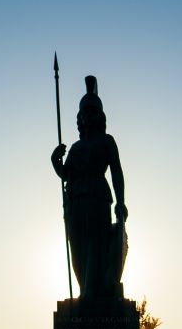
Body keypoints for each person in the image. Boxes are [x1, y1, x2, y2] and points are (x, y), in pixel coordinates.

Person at [51, 75, 128, 299]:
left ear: (100, 116)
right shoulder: (75, 147)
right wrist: (55, 161)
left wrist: (121, 201)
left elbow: (117, 172)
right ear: (80, 117)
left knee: (95, 244)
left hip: (97, 195)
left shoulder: (107, 141)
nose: (88, 115)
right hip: (75, 199)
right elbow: (67, 175)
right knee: (77, 245)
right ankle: (84, 288)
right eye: (85, 112)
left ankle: (92, 292)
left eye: (93, 111)